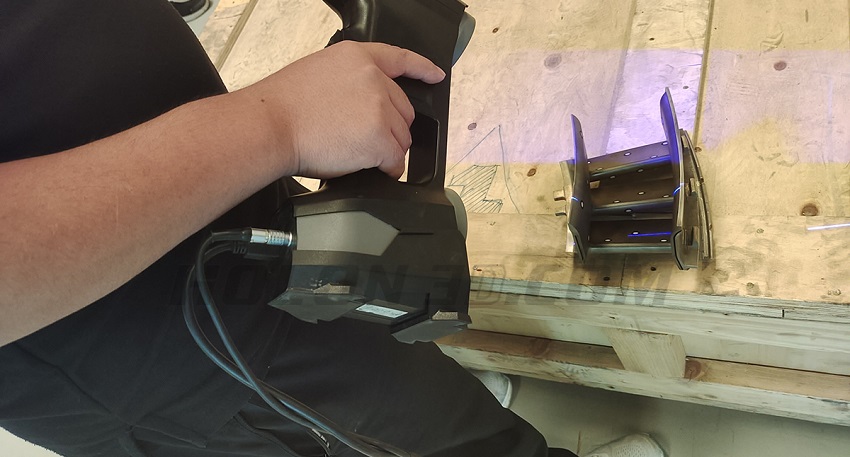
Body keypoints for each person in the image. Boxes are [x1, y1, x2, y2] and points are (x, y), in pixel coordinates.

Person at [0, 2, 664, 457]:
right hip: (182, 345)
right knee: (432, 430)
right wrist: (277, 124)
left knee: (400, 369)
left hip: (228, 199)